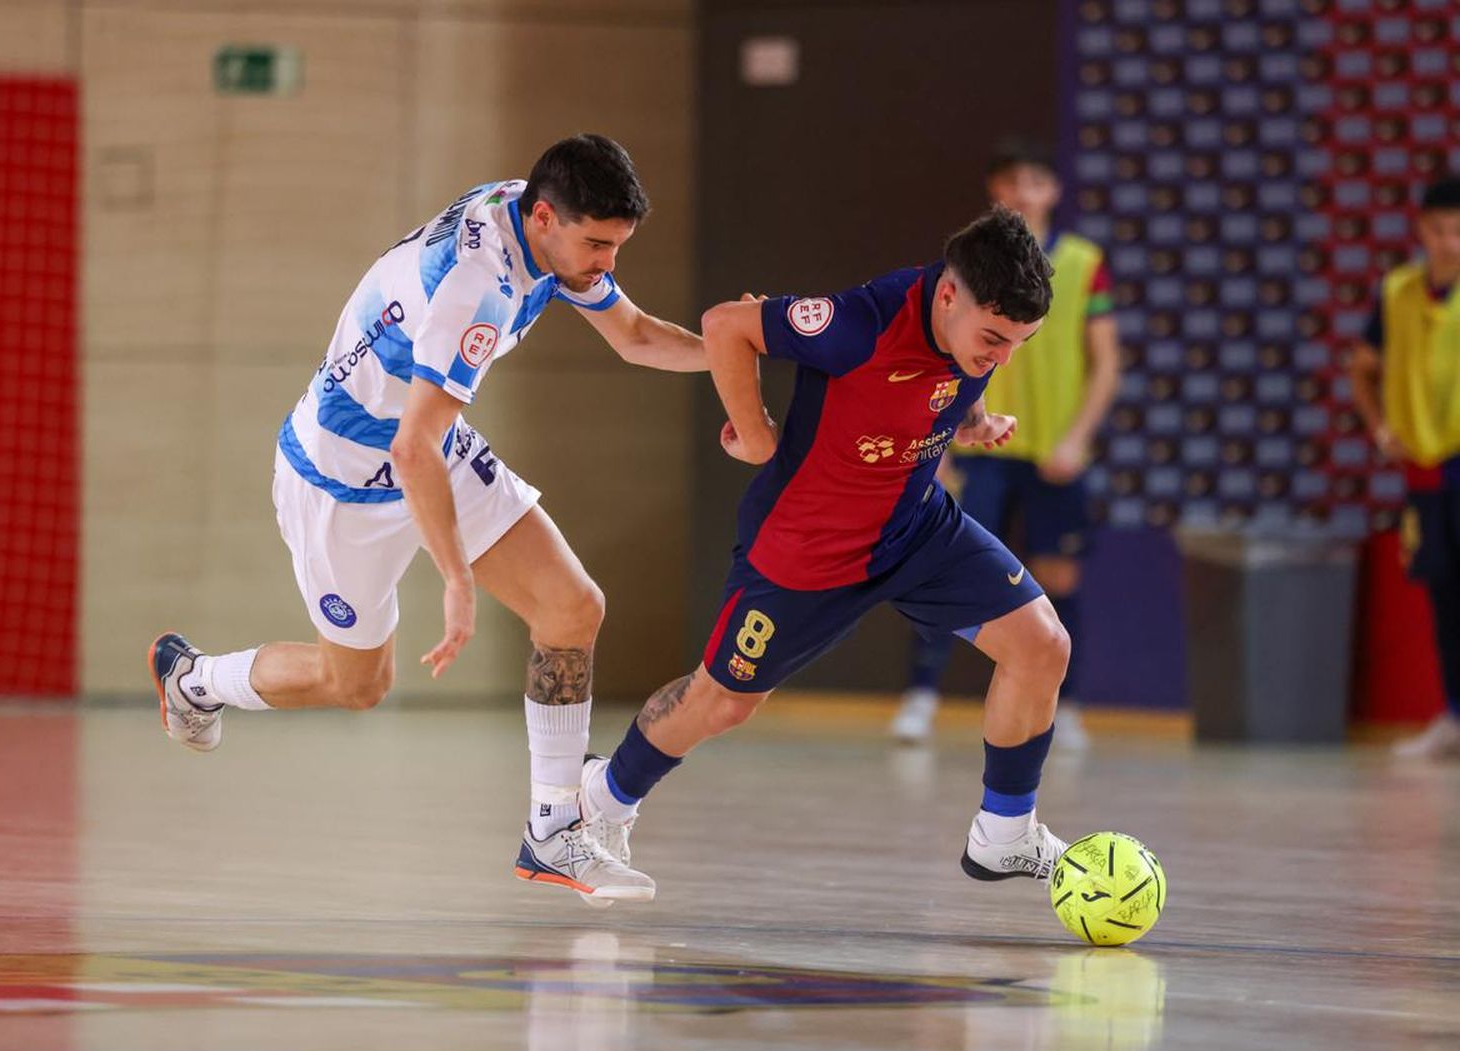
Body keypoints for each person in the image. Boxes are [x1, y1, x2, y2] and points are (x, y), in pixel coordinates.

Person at [147, 134, 707, 904]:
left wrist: (748, 351)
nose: (606, 263)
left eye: (616, 246)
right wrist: (457, 582)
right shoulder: (478, 286)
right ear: (544, 217)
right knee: (356, 684)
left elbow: (636, 336)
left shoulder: (537, 223)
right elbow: (412, 450)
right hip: (342, 480)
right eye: (597, 245)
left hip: (428, 441)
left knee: (571, 607)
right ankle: (195, 678)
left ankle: (552, 832)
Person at [577, 207, 1073, 890]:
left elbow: (959, 378)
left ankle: (1004, 836)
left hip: (915, 526)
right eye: (995, 337)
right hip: (806, 550)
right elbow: (727, 325)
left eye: (1020, 343)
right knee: (720, 702)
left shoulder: (973, 335)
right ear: (949, 294)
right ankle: (599, 801)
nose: (1001, 355)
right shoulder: (858, 322)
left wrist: (979, 421)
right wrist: (754, 437)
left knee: (1042, 644)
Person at [892, 141, 1119, 748]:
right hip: (978, 446)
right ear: (995, 190)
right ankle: (921, 698)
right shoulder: (967, 266)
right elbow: (936, 359)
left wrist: (1077, 439)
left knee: (1058, 578)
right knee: (945, 568)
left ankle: (1063, 709)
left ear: (1055, 191)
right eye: (1012, 182)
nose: (1024, 193)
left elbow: (1107, 363)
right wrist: (936, 450)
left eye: (1037, 181)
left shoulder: (1082, 261)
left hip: (1054, 453)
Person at [1348, 176, 1460, 760]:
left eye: (1459, 230)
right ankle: (1452, 715)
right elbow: (1362, 366)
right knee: (1443, 591)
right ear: (1422, 231)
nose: (1451, 242)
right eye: (1441, 229)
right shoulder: (1399, 292)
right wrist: (1380, 426)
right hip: (1425, 465)